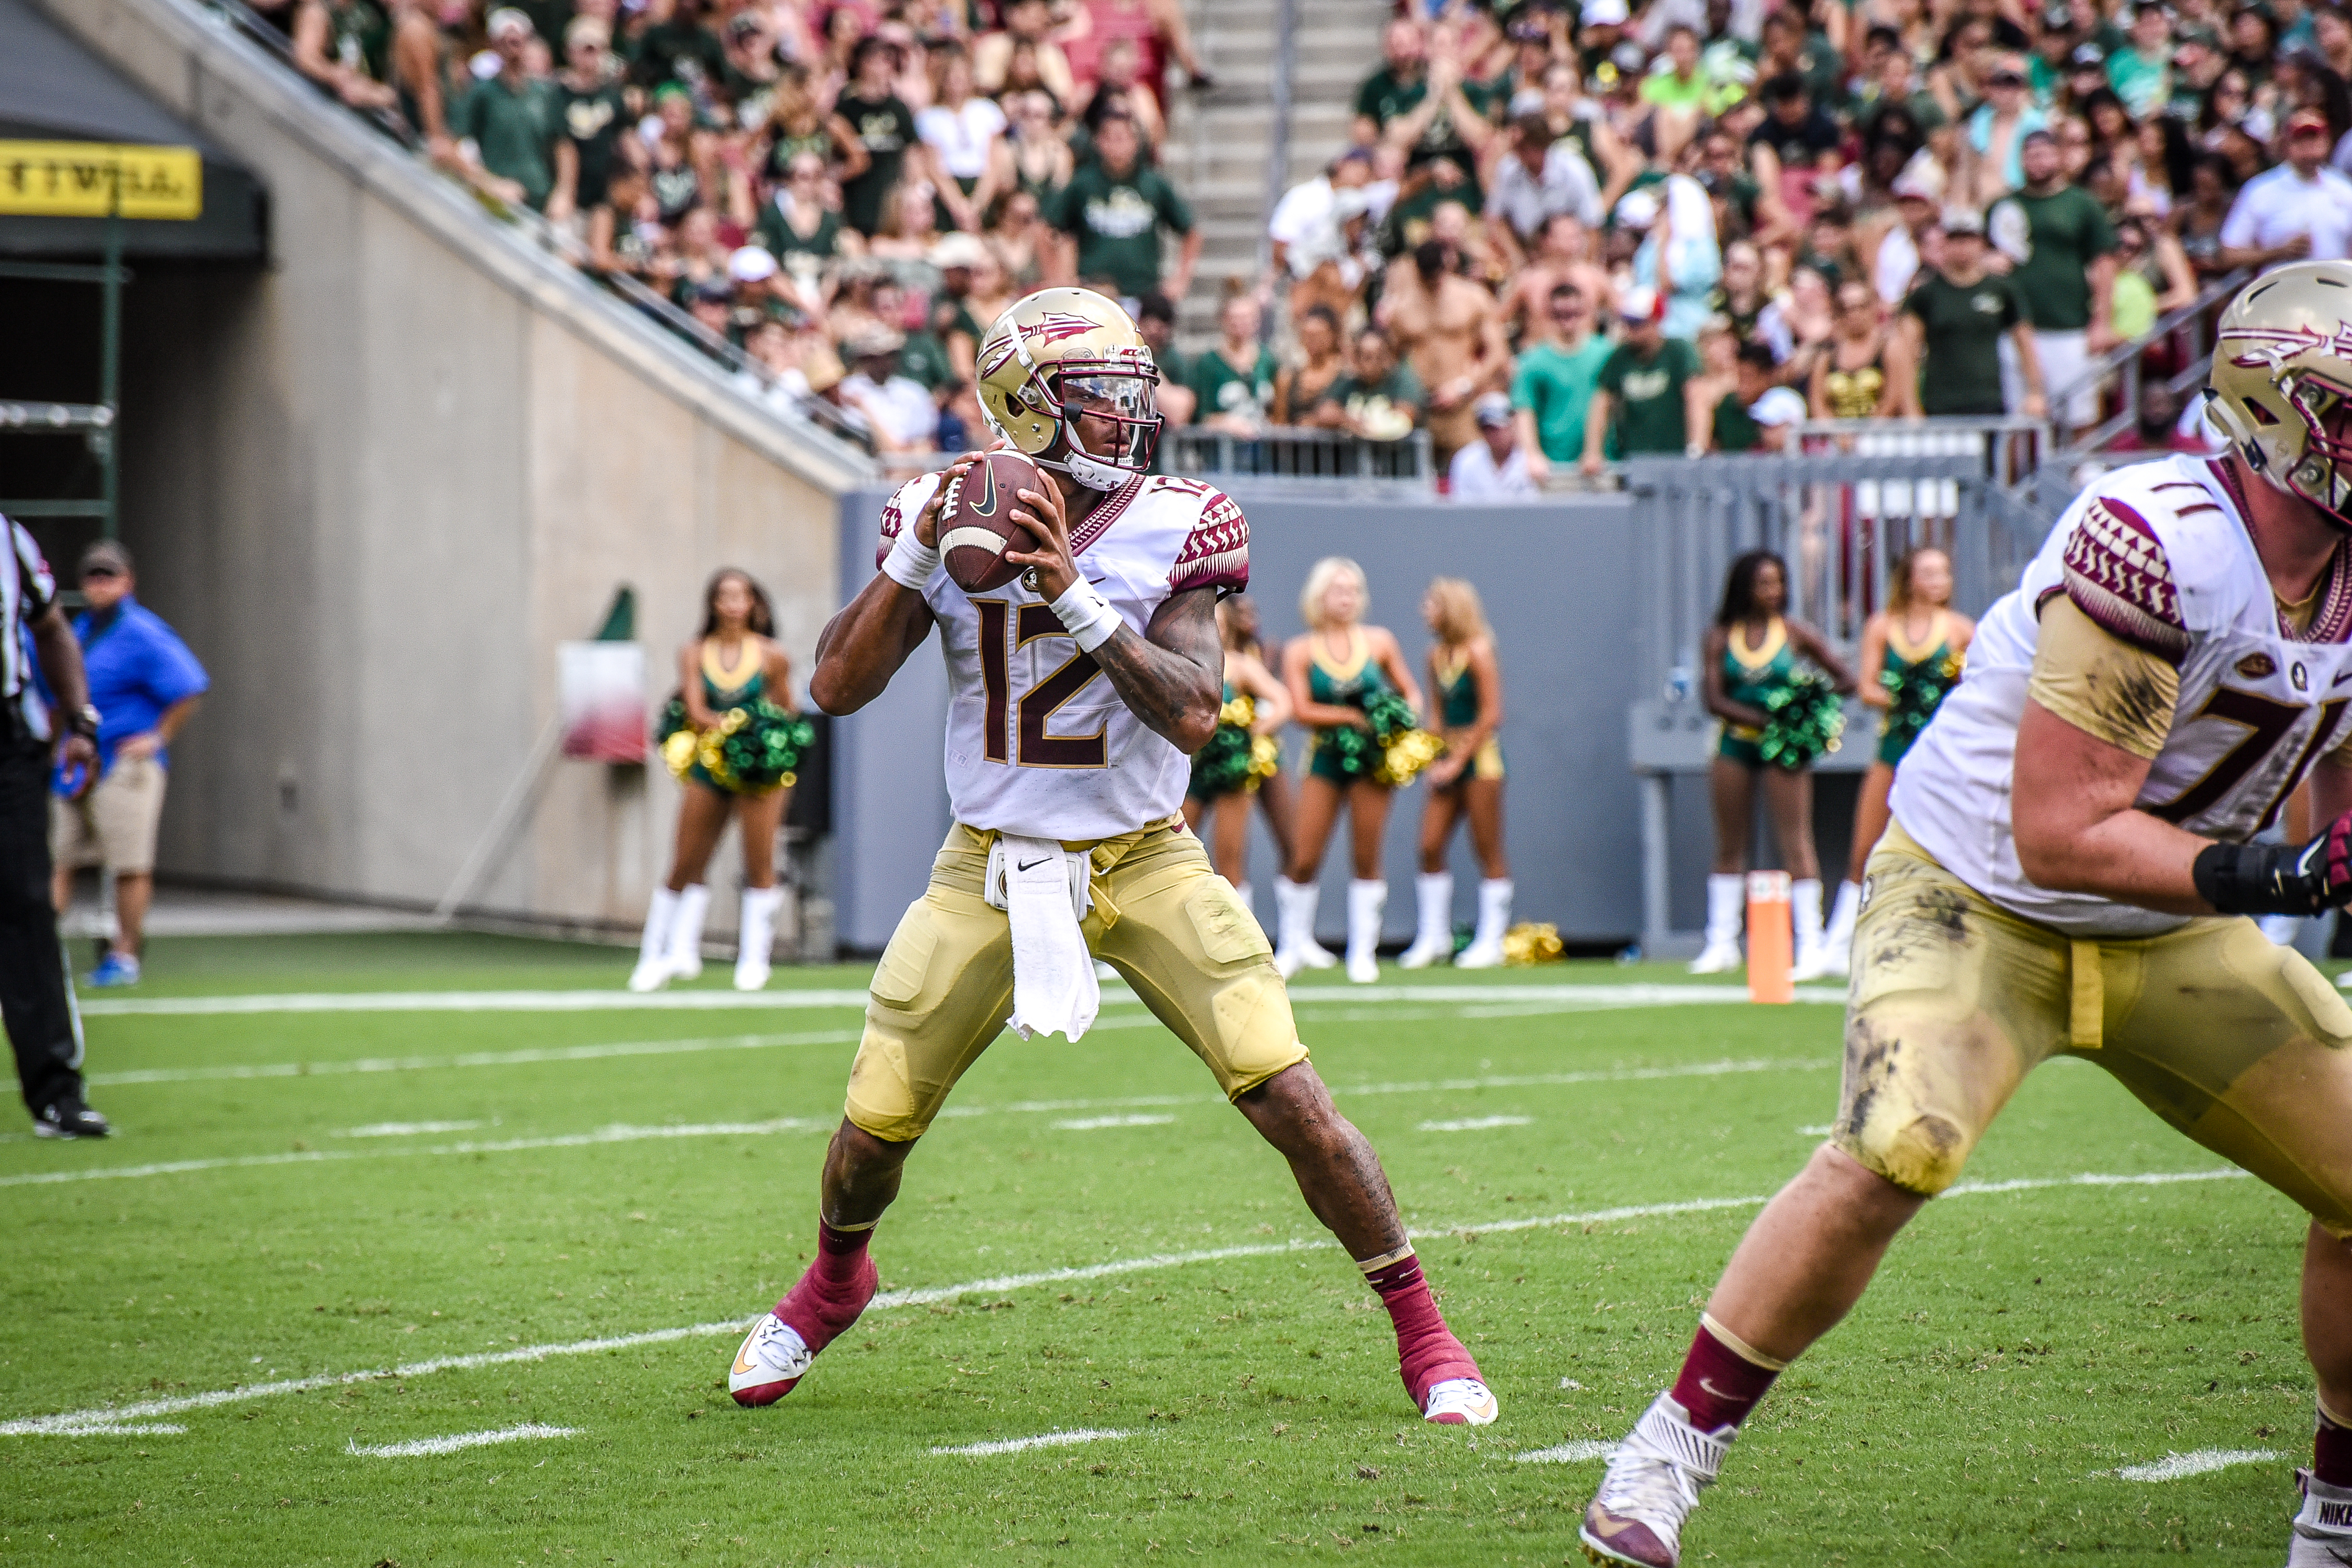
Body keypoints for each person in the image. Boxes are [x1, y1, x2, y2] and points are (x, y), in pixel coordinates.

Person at [1577, 260, 2352, 1568]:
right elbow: (2065, 825)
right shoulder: (2159, 534)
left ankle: (2336, 1498)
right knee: (1897, 1143)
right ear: (2283, 413)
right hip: (1979, 894)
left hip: (2167, 928)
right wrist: (2281, 875)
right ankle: (1664, 1449)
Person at [725, 288, 1498, 1432]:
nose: (1126, 419)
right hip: (988, 859)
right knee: (873, 1126)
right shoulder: (945, 508)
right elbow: (835, 687)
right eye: (1095, 401)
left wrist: (1071, 595)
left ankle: (1424, 1329)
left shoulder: (1184, 517)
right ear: (1022, 411)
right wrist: (918, 549)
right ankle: (835, 1279)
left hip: (1146, 855)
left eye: (1132, 395)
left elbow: (1195, 712)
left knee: (1292, 1094)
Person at [628, 570, 802, 994]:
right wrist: (737, 729)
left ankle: (754, 961)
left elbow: (788, 710)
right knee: (686, 861)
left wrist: (763, 740)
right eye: (724, 596)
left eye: (741, 596)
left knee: (759, 862)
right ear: (712, 603)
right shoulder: (694, 652)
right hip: (711, 765)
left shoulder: (771, 655)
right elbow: (695, 708)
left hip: (762, 772)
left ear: (754, 603)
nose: (733, 604)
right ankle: (658, 954)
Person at [46, 542, 208, 989]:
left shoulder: (142, 631)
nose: (100, 584)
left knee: (129, 864)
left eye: (109, 575)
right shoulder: (77, 629)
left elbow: (189, 685)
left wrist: (158, 735)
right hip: (76, 764)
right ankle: (41, 953)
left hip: (124, 764)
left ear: (128, 580)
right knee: (59, 860)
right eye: (93, 576)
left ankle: (125, 955)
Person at [1688, 550, 1854, 979]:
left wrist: (1808, 708)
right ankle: (1722, 942)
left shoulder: (1796, 633)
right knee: (1729, 843)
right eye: (1763, 583)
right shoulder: (1721, 636)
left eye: (1778, 582)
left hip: (1785, 748)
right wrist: (1767, 718)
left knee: (1796, 841)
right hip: (1735, 744)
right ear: (1744, 587)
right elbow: (1713, 699)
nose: (1772, 591)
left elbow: (1845, 679)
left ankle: (1811, 945)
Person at [1818, 546, 1974, 976]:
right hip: (1893, 750)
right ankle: (1838, 944)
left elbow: (1975, 690)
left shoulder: (1961, 630)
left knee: (1950, 850)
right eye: (1928, 572)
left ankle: (1948, 942)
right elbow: (1867, 689)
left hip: (1944, 758)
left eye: (1944, 570)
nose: (1939, 579)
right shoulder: (1882, 627)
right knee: (1865, 848)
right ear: (1909, 578)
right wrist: (1905, 697)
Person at [1272, 557, 1425, 985]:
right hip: (1324, 760)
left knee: (1366, 854)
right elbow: (1301, 710)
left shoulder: (1380, 642)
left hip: (1373, 764)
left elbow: (1412, 695)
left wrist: (1395, 718)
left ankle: (1364, 952)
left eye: (1353, 590)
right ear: (1318, 597)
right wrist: (1353, 719)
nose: (1346, 598)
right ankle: (1292, 945)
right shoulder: (1301, 648)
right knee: (1303, 857)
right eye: (1338, 590)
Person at [2, 517, 106, 1137]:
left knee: (28, 909)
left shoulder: (9, 540)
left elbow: (50, 628)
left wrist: (81, 720)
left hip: (7, 739)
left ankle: (56, 1091)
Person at [1399, 577, 1510, 971]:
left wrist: (1457, 762)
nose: (1425, 611)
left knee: (1488, 850)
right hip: (1447, 762)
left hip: (1481, 763)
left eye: (1432, 604)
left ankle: (1492, 940)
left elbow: (1492, 715)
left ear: (1452, 609)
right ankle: (1434, 937)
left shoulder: (1479, 651)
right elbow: (1438, 715)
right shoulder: (1435, 655)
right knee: (1429, 845)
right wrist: (1427, 755)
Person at [1988, 129, 2118, 432]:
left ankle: (2079, 474)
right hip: (2016, 328)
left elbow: (2104, 262)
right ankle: (2018, 478)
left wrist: (2102, 321)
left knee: (2079, 414)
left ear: (2059, 156)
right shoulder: (2004, 206)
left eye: (2044, 153)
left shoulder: (2081, 204)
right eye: (2030, 154)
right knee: (2018, 419)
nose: (2037, 161)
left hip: (2069, 326)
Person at [1182, 599, 1292, 925]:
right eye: (1201, 619)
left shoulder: (1241, 665)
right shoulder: (1179, 664)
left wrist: (1252, 730)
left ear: (1227, 624)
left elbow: (1283, 702)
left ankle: (1240, 940)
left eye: (1215, 619)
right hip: (1191, 772)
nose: (1209, 626)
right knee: (1175, 852)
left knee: (1230, 861)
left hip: (1233, 772)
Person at [1900, 207, 2045, 419]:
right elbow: (1906, 352)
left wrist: (2035, 392)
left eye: (1969, 240)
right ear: (1945, 244)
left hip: (1988, 400)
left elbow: (2025, 342)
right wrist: (1911, 406)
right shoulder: (1926, 294)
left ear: (1982, 243)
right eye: (1955, 240)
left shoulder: (2001, 290)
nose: (1962, 247)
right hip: (1939, 403)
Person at [1046, 113, 1198, 302]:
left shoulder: (1154, 184)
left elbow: (1191, 231)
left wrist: (1181, 280)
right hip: (1093, 292)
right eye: (1108, 138)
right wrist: (1055, 279)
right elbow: (1047, 226)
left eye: (1121, 138)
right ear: (1098, 142)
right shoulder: (1083, 183)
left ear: (1136, 142)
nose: (1115, 146)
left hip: (1143, 292)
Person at [450, 8, 562, 211]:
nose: (513, 45)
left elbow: (563, 144)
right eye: (505, 39)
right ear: (493, 44)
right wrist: (489, 183)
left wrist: (564, 193)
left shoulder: (546, 93)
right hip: (501, 198)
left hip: (542, 197)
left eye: (517, 39)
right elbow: (453, 145)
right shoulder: (481, 92)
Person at [1583, 287, 1703, 473]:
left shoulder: (1678, 352)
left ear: (1656, 321)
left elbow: (1695, 399)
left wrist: (1696, 447)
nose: (1630, 330)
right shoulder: (1621, 357)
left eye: (1637, 324)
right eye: (1628, 323)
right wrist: (1592, 452)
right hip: (1635, 460)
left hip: (1675, 460)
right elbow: (1601, 403)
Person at [2220, 108, 2352, 272]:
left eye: (2314, 138)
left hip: (2334, 291)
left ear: (2327, 142)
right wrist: (2278, 252)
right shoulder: (2261, 189)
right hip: (2280, 291)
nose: (2308, 146)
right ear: (2287, 144)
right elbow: (2229, 254)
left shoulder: (2345, 189)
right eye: (2300, 140)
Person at [1513, 282, 1611, 485]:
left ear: (1585, 312)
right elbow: (1524, 409)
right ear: (1549, 315)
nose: (1568, 319)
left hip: (1602, 463)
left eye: (1574, 312)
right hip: (1554, 467)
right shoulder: (1532, 361)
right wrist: (1532, 455)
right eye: (1560, 313)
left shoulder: (1606, 353)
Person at [1809, 280, 1919, 420]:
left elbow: (1896, 396)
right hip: (1839, 435)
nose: (1855, 314)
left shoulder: (1890, 348)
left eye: (1862, 307)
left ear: (1874, 308)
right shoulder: (1827, 355)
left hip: (1881, 432)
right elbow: (1818, 403)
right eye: (1847, 309)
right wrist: (1835, 432)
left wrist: (1866, 431)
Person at [1187, 292, 1280, 435]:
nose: (1239, 323)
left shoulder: (1268, 359)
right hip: (1223, 449)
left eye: (1246, 318)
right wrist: (1226, 424)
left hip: (1262, 446)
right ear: (1223, 320)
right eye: (1234, 318)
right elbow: (1201, 414)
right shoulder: (1208, 363)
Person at [1447, 392, 1537, 499]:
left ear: (1512, 425)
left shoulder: (1530, 460)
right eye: (1486, 428)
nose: (1492, 434)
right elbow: (1461, 507)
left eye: (1497, 428)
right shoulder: (1466, 460)